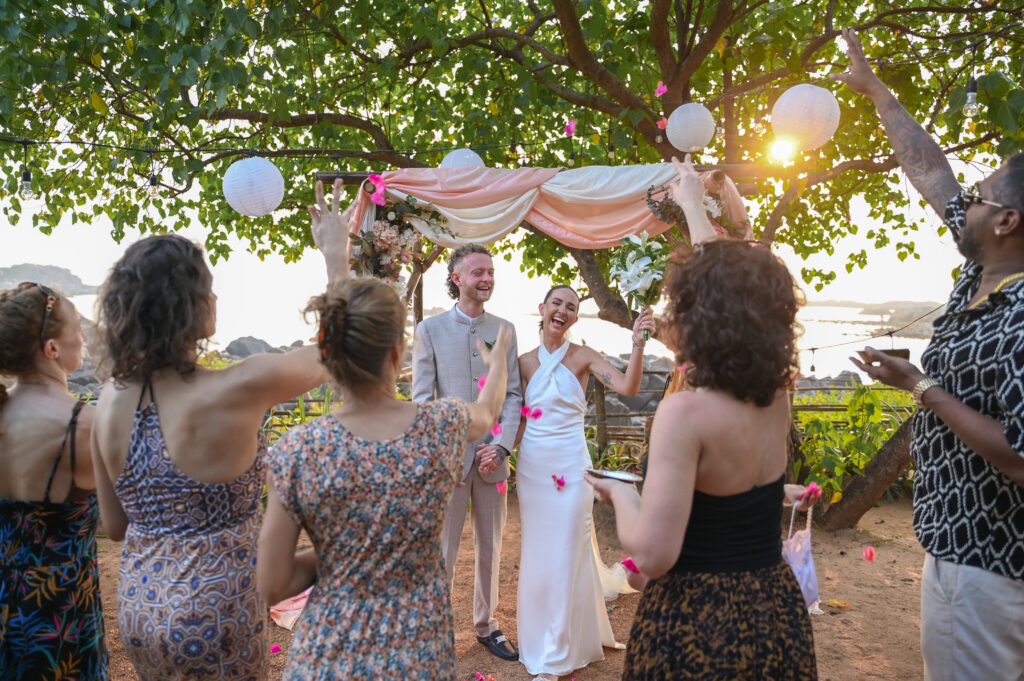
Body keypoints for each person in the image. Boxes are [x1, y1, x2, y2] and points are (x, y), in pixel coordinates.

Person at [258, 183, 513, 680]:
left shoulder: (297, 450)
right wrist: (498, 363)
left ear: (327, 353)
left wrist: (347, 554)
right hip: (418, 653)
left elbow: (272, 582)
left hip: (327, 657)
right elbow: (488, 410)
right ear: (398, 355)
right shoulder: (441, 427)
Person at [89, 187, 344, 680]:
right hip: (216, 611)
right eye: (207, 286)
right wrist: (336, 258)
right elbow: (335, 352)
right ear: (188, 305)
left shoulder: (107, 398)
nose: (215, 296)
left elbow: (117, 526)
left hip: (140, 608)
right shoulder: (235, 386)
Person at [834, 29, 1024, 681]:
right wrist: (876, 91)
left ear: (1007, 221)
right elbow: (929, 169)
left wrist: (922, 387)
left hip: (993, 572)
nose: (961, 199)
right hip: (959, 554)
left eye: (977, 194)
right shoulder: (981, 275)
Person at [586, 154, 817, 680]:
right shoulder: (777, 394)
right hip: (773, 607)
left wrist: (620, 494)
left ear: (699, 317)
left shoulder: (684, 411)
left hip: (698, 616)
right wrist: (691, 203)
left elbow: (654, 555)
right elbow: (737, 287)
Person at [514, 284, 654, 680]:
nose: (562, 310)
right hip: (534, 471)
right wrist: (500, 452)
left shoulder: (584, 357)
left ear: (575, 318)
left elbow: (628, 387)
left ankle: (557, 654)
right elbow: (522, 418)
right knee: (541, 555)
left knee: (567, 550)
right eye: (556, 303)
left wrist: (638, 344)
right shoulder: (523, 362)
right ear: (541, 309)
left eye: (571, 307)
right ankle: (542, 638)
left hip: (573, 469)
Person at [411, 243, 524, 661]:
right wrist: (442, 455)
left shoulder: (506, 329)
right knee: (442, 550)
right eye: (477, 272)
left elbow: (512, 396)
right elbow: (423, 401)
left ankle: (487, 625)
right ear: (457, 278)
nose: (487, 279)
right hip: (448, 463)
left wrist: (501, 447)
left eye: (490, 272)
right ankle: (436, 629)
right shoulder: (429, 330)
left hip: (493, 462)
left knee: (491, 548)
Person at [0, 283, 108, 680]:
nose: (83, 335)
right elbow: (121, 522)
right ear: (52, 349)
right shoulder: (83, 425)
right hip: (58, 624)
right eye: (77, 325)